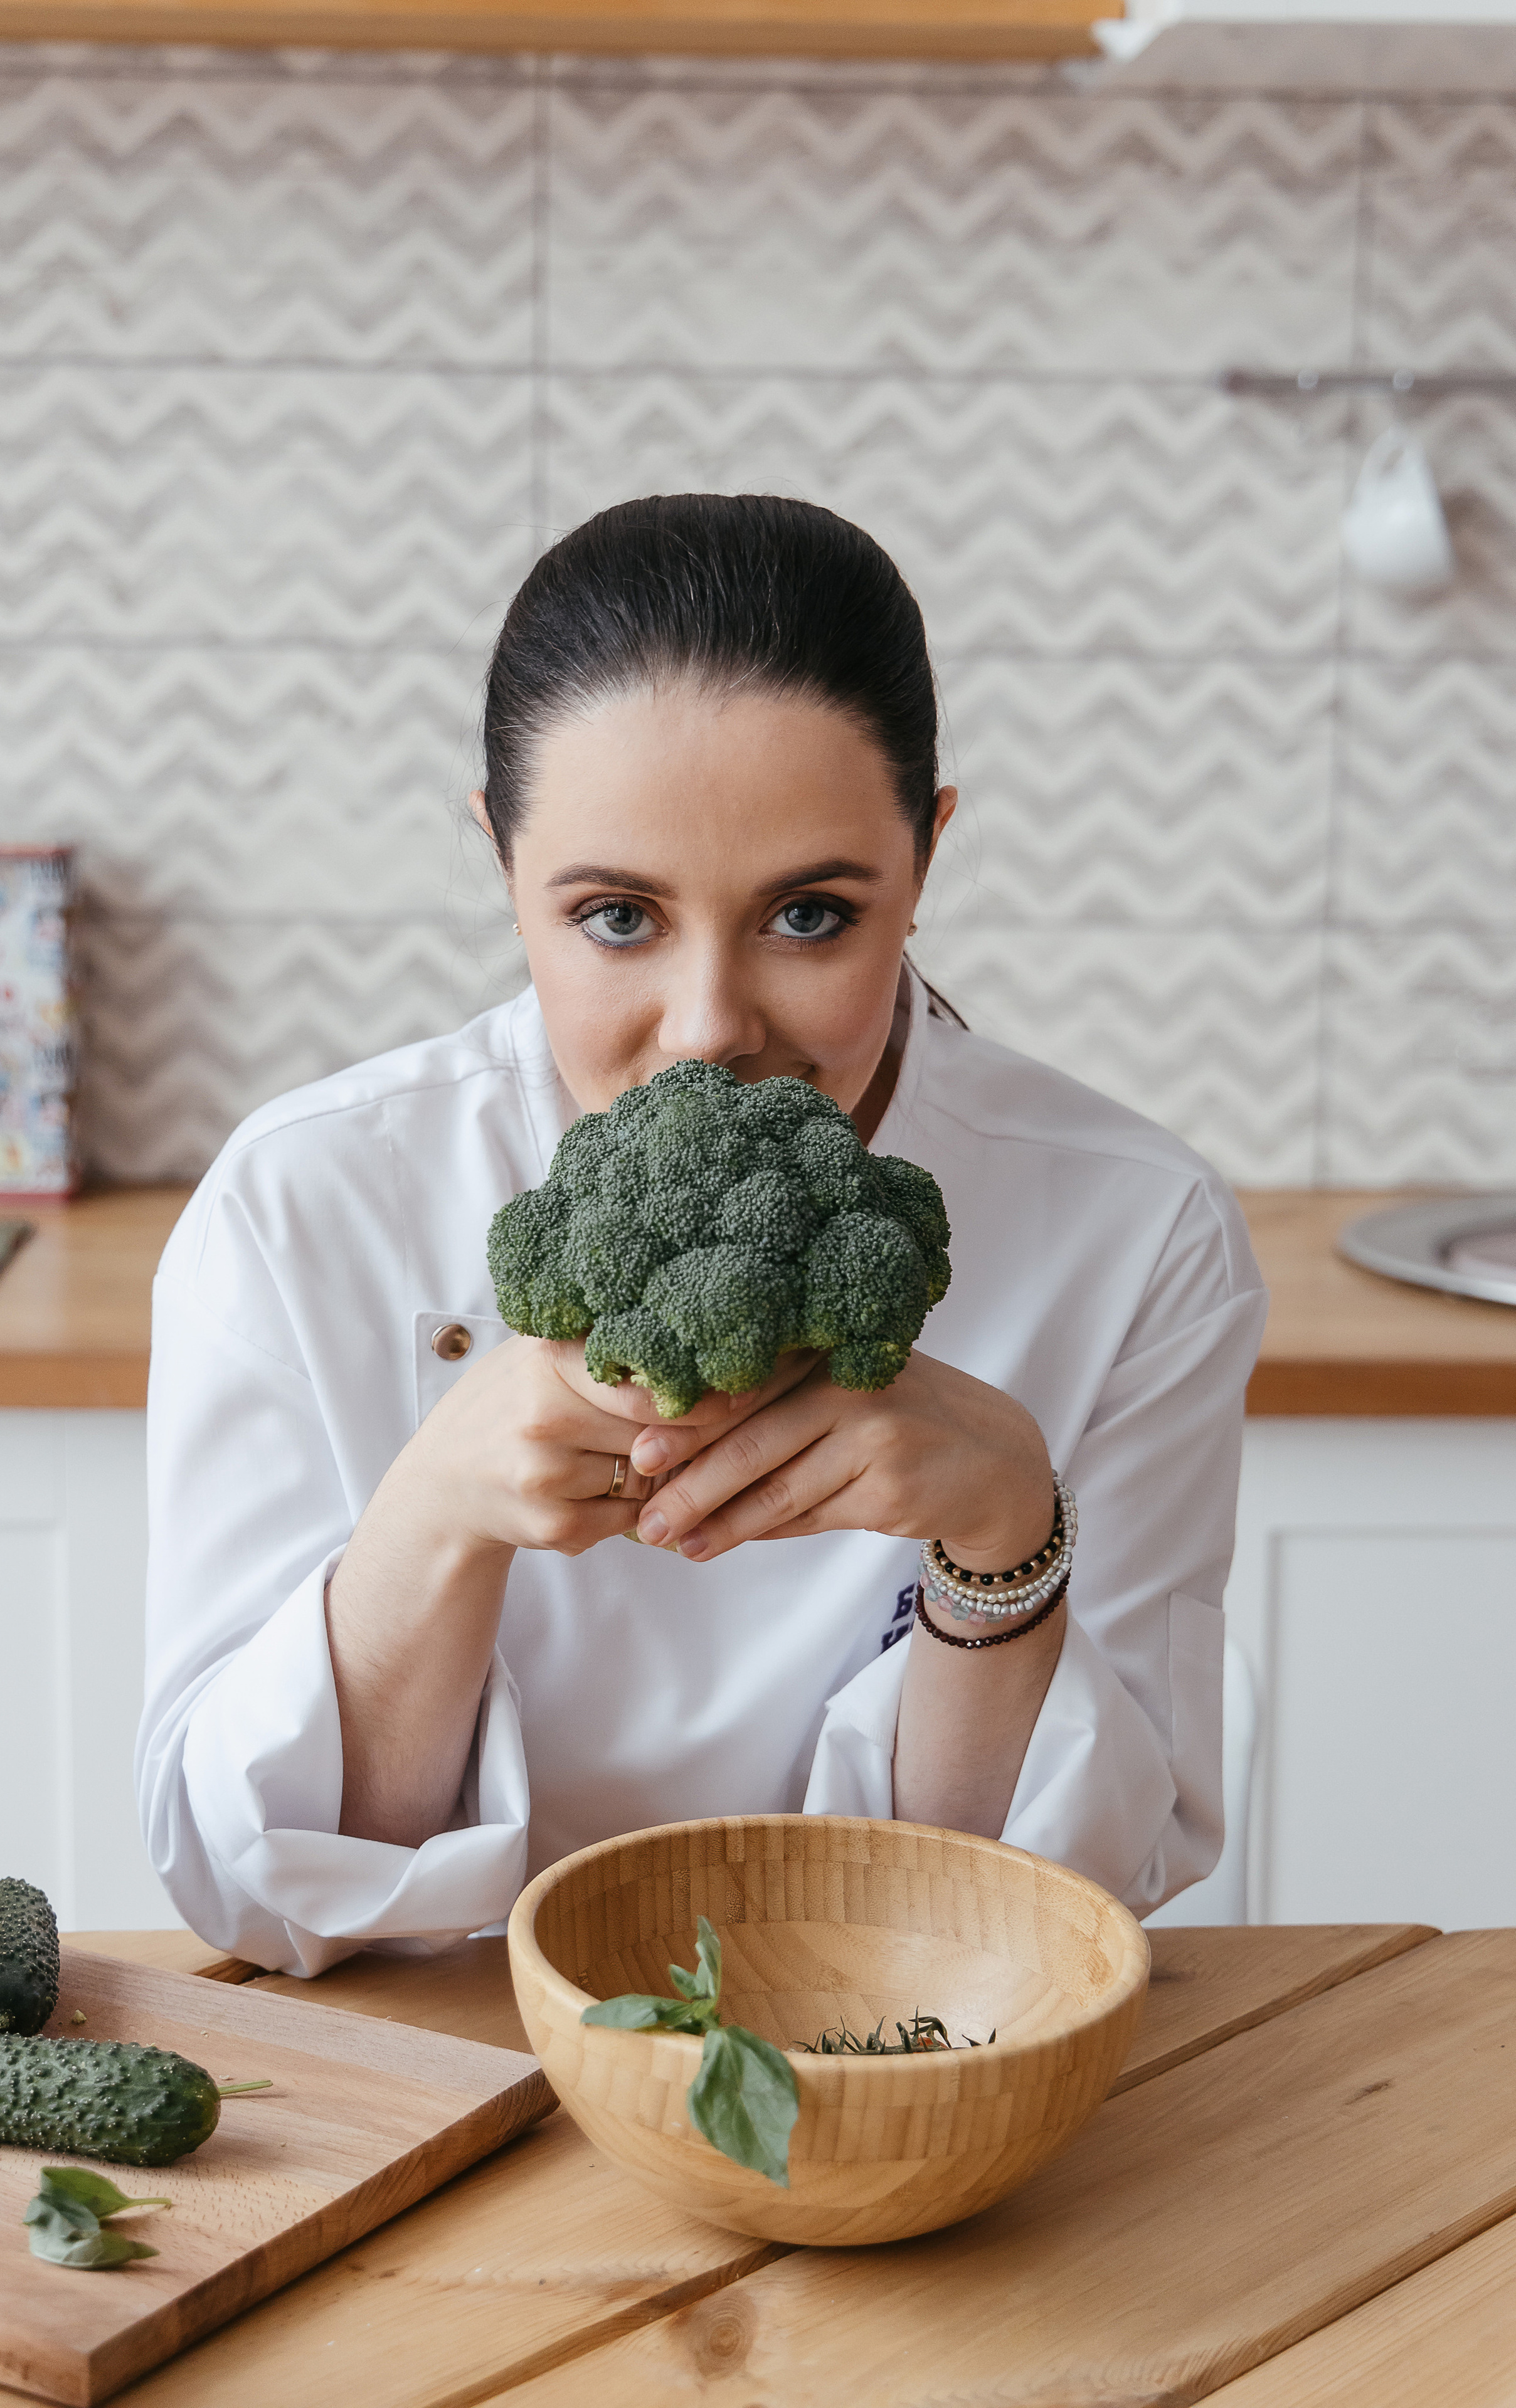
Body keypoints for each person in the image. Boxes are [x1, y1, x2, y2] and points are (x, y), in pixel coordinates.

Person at [137, 495, 1268, 1977]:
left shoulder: (1138, 1233)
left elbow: (1067, 1909)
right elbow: (248, 1889)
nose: (708, 1028)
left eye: (808, 916)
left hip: (900, 2072)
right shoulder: (304, 1203)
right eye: (616, 917)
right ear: (501, 862)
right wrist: (436, 1513)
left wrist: (1006, 1542)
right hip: (433, 2067)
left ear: (923, 859)